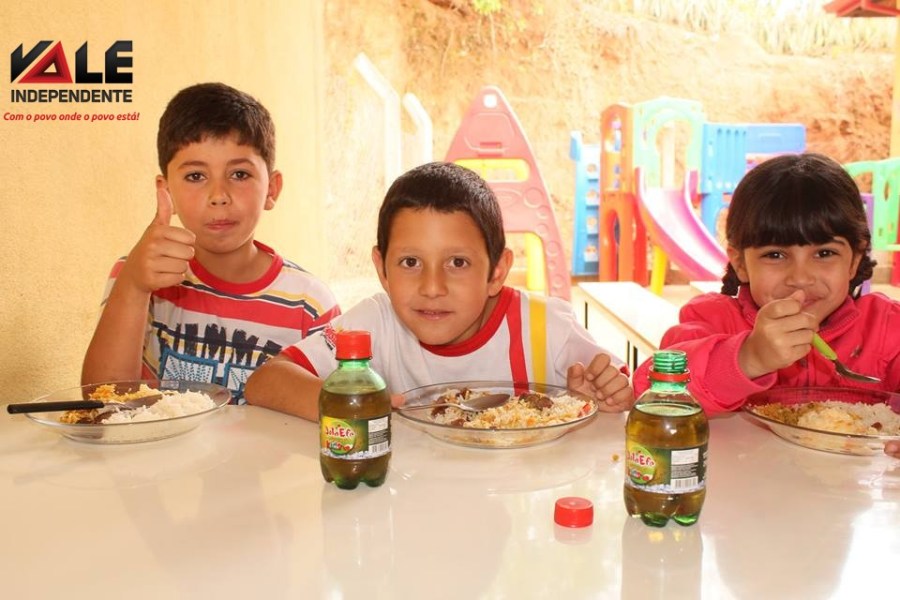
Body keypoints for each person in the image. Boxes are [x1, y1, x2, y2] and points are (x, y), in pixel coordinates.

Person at [245, 161, 633, 421]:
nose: (432, 288)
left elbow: (622, 389)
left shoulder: (545, 327)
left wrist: (605, 396)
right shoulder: (376, 323)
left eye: (458, 263)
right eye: (410, 262)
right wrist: (355, 405)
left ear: (497, 272)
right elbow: (267, 381)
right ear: (382, 269)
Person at [82, 82, 340, 402]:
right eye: (196, 176)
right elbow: (102, 402)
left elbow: (337, 413)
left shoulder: (310, 304)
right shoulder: (138, 276)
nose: (219, 196)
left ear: (272, 189)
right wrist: (134, 286)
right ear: (166, 191)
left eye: (239, 174)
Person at [633, 153, 900, 454]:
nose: (800, 278)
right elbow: (650, 392)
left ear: (854, 260)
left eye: (824, 253)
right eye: (775, 255)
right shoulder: (712, 320)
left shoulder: (887, 326)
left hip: (854, 482)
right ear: (740, 263)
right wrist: (749, 357)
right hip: (742, 482)